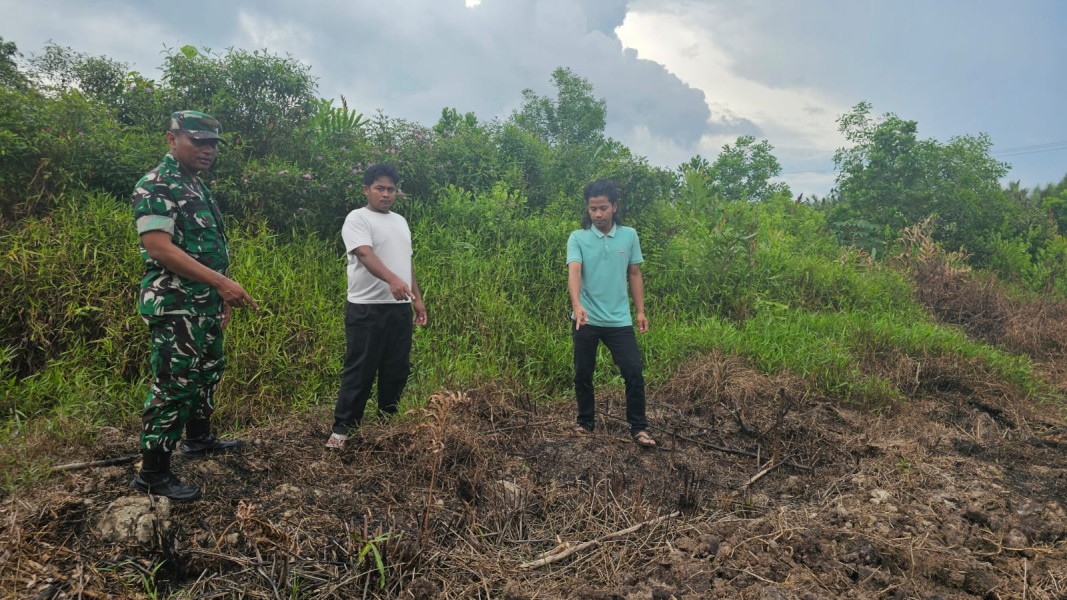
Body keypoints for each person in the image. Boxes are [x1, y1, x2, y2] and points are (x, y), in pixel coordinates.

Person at [129, 110, 259, 500]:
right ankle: (152, 473)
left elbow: (205, 250)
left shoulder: (195, 185)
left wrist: (219, 294)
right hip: (175, 303)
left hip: (203, 302)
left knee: (207, 371)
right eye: (197, 141)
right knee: (174, 384)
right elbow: (159, 247)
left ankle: (199, 440)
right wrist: (222, 282)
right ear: (172, 139)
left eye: (212, 143)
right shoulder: (157, 184)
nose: (207, 149)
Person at [327, 163, 427, 449]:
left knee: (397, 368)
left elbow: (406, 261)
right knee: (360, 368)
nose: (386, 194)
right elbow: (364, 254)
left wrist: (417, 299)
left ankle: (387, 422)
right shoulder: (357, 218)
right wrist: (393, 280)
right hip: (366, 307)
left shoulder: (400, 221)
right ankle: (342, 430)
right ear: (366, 190)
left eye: (391, 189)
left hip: (398, 308)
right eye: (380, 188)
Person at [567, 179, 656, 447]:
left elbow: (634, 273)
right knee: (583, 372)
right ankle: (585, 423)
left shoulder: (629, 235)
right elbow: (575, 270)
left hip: (619, 320)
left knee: (633, 371)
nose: (598, 214)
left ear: (614, 207)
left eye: (603, 208)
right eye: (593, 208)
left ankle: (639, 428)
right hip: (586, 319)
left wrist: (640, 311)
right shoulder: (578, 237)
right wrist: (577, 306)